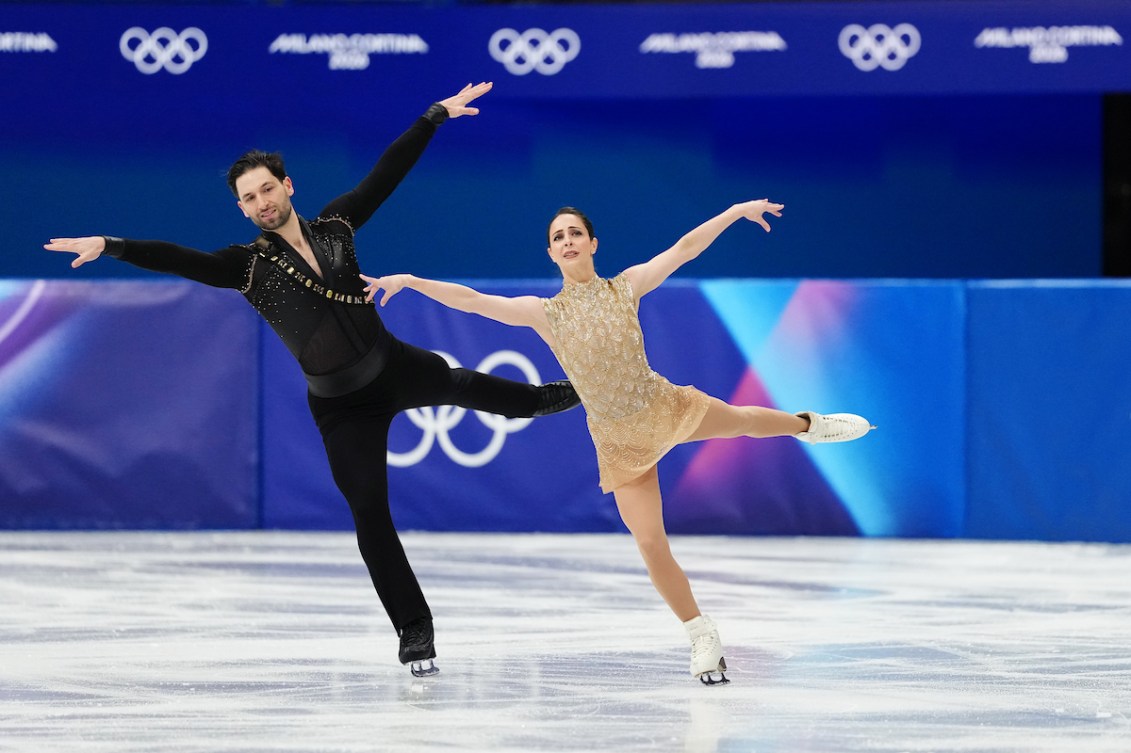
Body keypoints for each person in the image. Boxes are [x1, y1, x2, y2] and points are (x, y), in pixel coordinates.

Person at [44, 82, 580, 679]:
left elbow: (386, 173)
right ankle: (414, 629)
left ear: (287, 185)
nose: (261, 202)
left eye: (267, 188)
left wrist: (434, 116)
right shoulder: (245, 267)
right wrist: (111, 245)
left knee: (460, 384)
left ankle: (545, 398)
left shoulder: (338, 227)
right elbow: (177, 257)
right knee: (370, 515)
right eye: (249, 199)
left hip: (391, 363)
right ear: (243, 210)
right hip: (340, 407)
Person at [357, 198, 874, 684]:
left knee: (742, 420)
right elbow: (473, 302)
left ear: (593, 243)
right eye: (558, 236)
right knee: (650, 543)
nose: (567, 241)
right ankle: (701, 633)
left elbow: (684, 248)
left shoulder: (625, 287)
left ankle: (810, 425)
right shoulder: (545, 313)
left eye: (575, 233)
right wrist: (410, 280)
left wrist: (736, 212)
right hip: (618, 440)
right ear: (550, 251)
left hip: (663, 406)